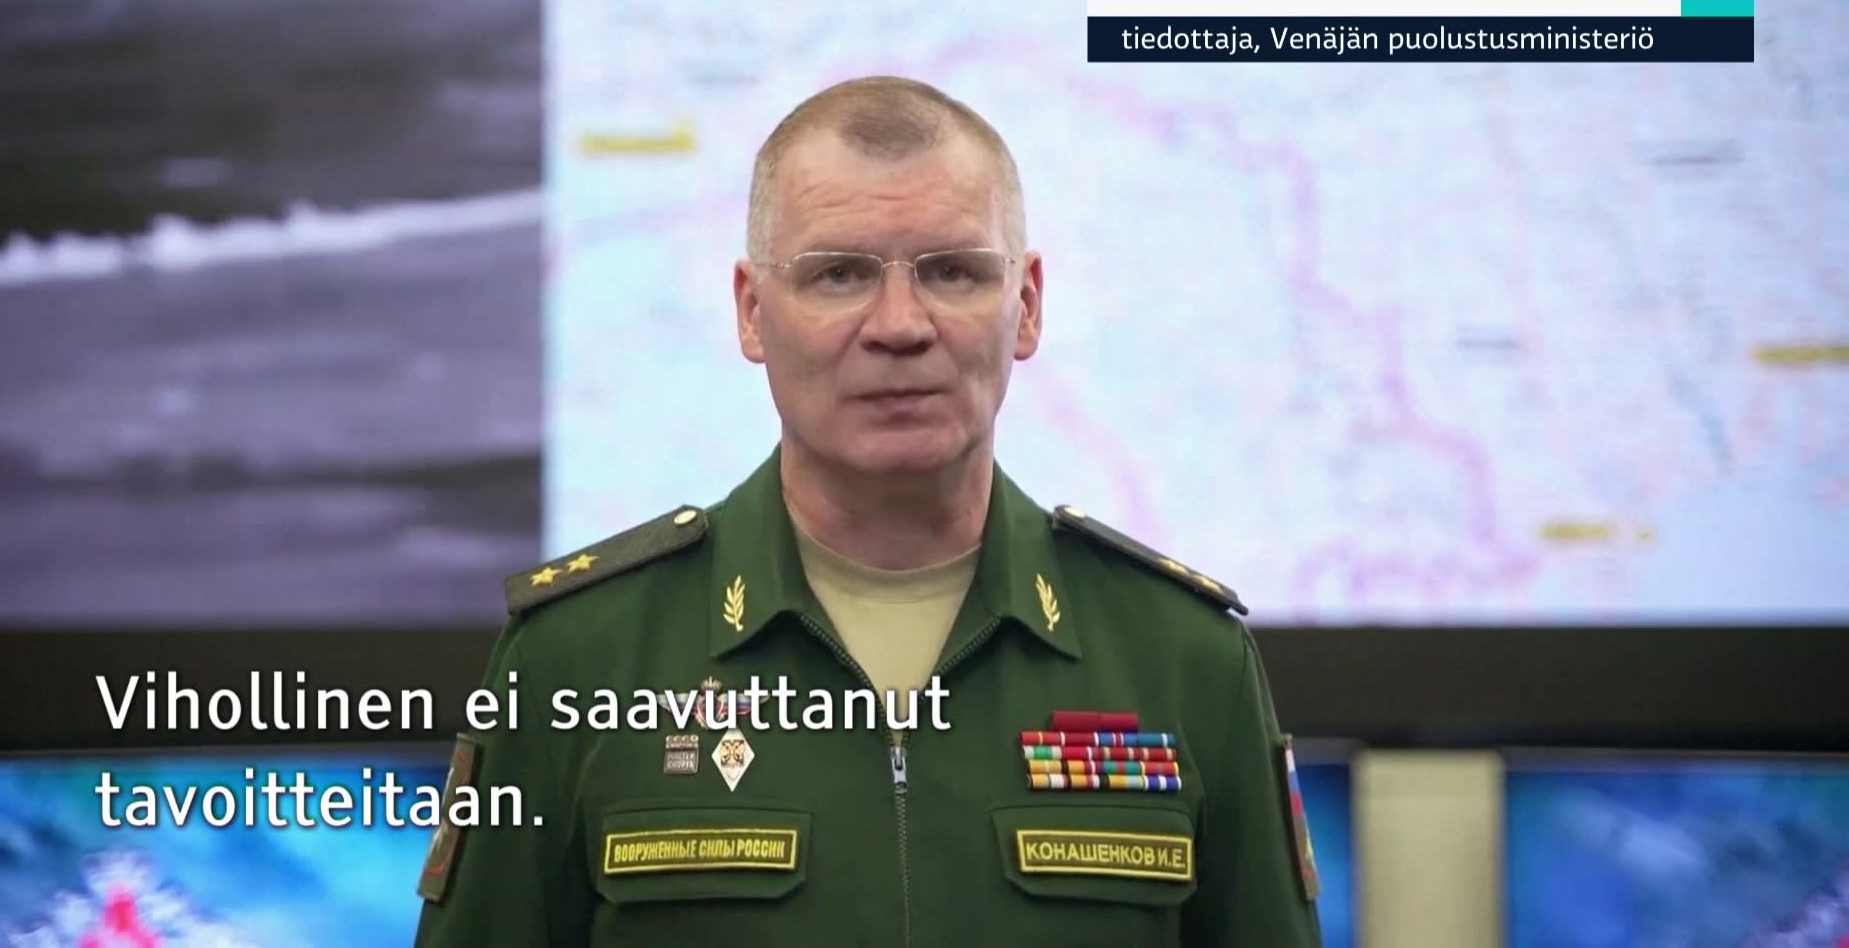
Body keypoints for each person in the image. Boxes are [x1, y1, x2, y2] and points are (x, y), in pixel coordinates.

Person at [412, 76, 1322, 946]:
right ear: (752, 312)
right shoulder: (579, 659)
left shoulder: (1183, 661)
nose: (899, 325)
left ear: (1027, 305)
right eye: (839, 274)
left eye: (954, 272)